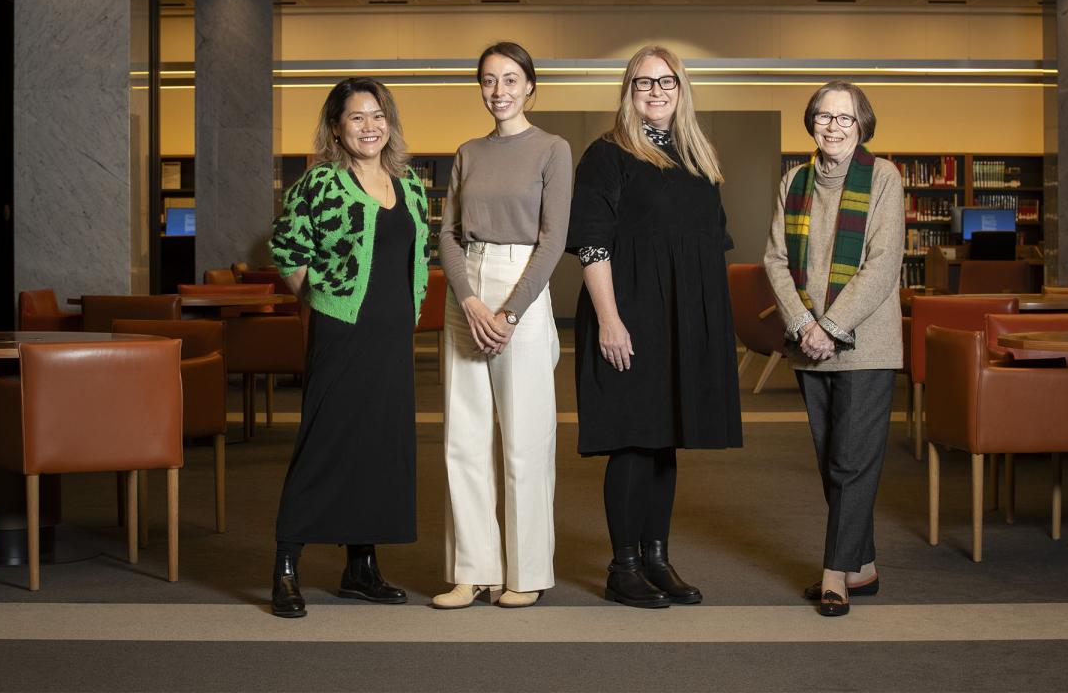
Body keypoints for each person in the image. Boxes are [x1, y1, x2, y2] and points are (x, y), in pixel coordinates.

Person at [567, 45, 742, 609]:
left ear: (681, 88)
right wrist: (610, 321)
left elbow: (708, 247)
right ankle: (623, 567)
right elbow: (592, 243)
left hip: (680, 323)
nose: (656, 91)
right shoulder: (608, 154)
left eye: (666, 82)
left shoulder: (699, 158)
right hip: (630, 317)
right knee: (632, 442)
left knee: (665, 442)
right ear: (628, 91)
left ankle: (656, 558)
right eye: (643, 83)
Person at [267, 77, 430, 618]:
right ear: (337, 126)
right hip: (343, 335)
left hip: (391, 338)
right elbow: (287, 249)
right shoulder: (320, 184)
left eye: (377, 116)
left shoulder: (410, 186)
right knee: (325, 444)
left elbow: (417, 259)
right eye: (357, 117)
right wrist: (325, 302)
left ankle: (361, 569)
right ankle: (286, 566)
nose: (369, 126)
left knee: (379, 449)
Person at [435, 41, 572, 609]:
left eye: (510, 79)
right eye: (489, 81)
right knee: (463, 439)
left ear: (530, 86)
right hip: (468, 284)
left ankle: (528, 572)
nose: (499, 91)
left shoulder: (553, 149)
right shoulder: (467, 151)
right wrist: (468, 299)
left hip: (523, 285)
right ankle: (472, 569)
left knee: (525, 438)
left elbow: (554, 240)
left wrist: (510, 312)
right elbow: (445, 233)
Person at [764, 81, 904, 617]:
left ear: (862, 125)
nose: (834, 126)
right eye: (824, 116)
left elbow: (884, 262)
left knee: (852, 460)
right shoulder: (794, 181)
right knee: (831, 460)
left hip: (865, 344)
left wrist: (832, 325)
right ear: (811, 123)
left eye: (846, 118)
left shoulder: (885, 177)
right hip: (809, 344)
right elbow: (775, 259)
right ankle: (862, 565)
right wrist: (804, 325)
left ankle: (835, 575)